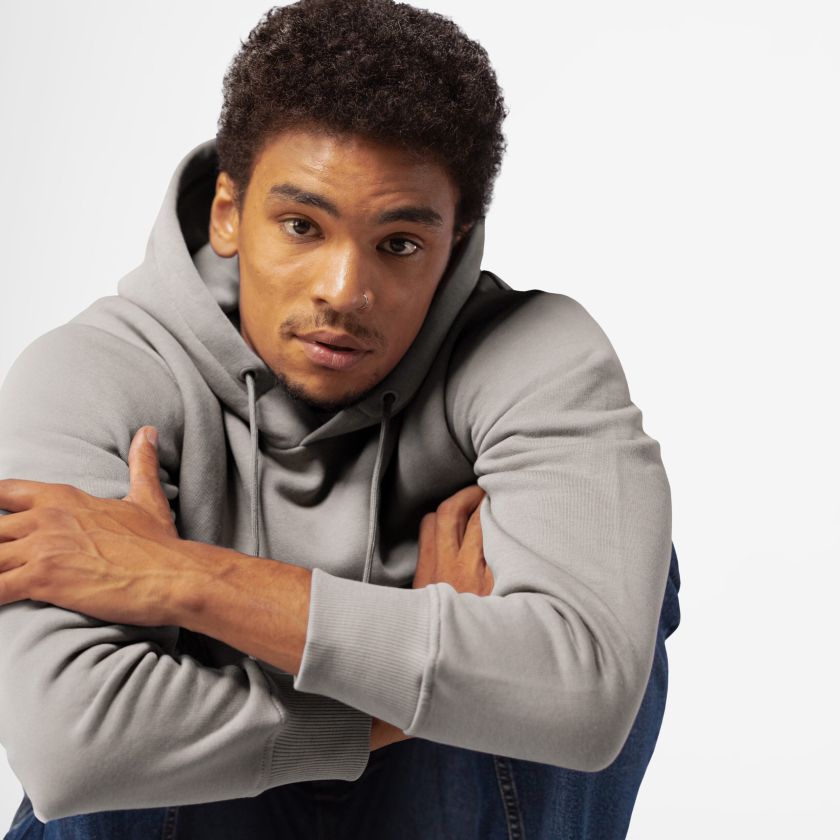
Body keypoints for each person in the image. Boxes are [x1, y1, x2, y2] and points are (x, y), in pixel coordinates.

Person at [0, 0, 681, 837]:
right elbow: (72, 753)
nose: (344, 291)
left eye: (399, 244)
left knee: (620, 563)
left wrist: (185, 577)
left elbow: (586, 698)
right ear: (226, 213)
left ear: (456, 241)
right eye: (301, 226)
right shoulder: (91, 374)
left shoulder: (538, 356)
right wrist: (424, 691)